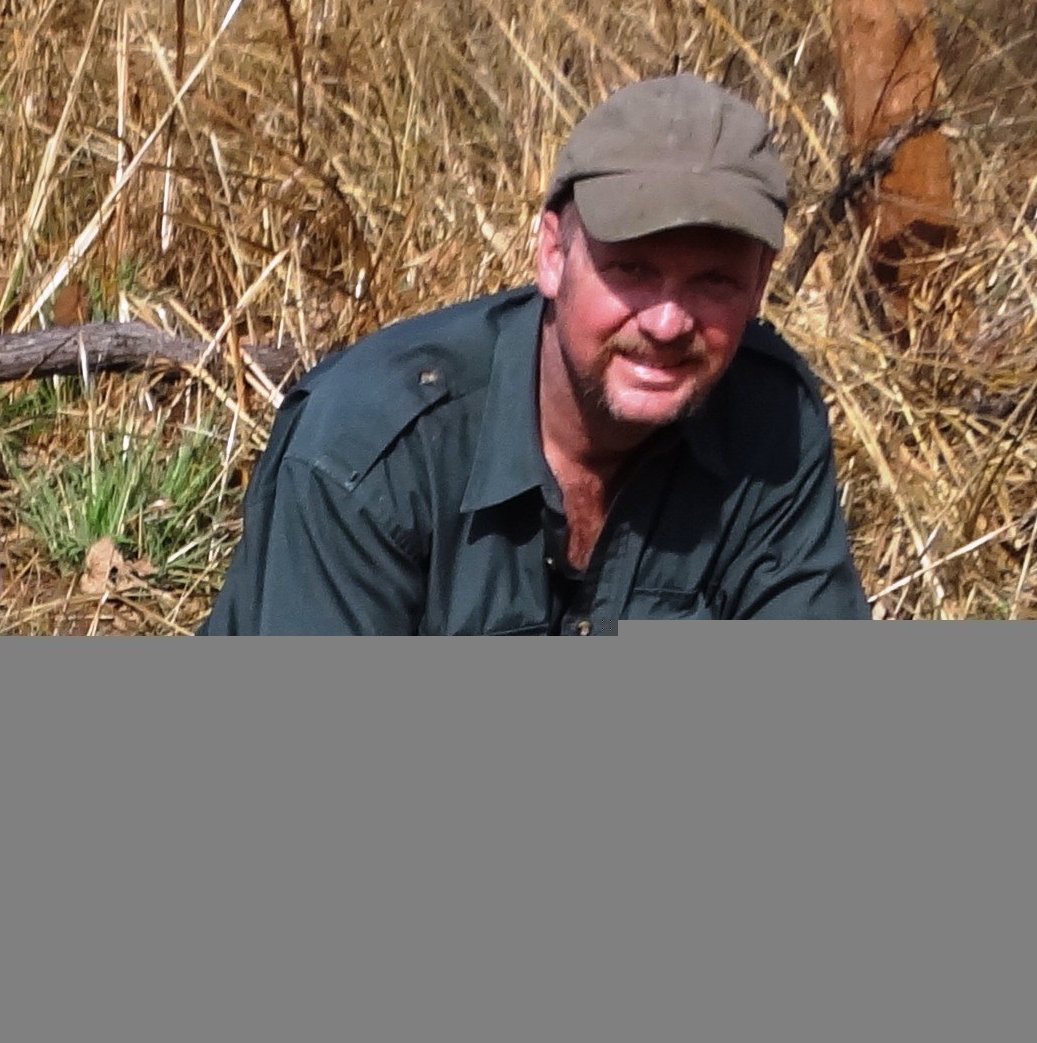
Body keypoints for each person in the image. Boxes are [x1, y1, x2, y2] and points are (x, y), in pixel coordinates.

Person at [204, 75, 866, 633]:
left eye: (712, 281)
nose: (667, 322)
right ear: (552, 254)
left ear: (758, 283)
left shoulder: (770, 419)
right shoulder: (368, 449)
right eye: (630, 270)